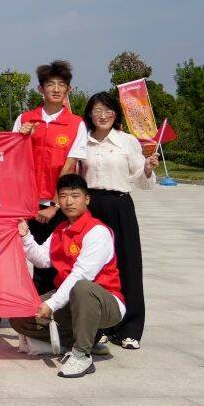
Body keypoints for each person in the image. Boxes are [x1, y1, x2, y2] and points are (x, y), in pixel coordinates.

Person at [60, 92, 156, 349]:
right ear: (89, 114)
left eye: (108, 111)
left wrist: (147, 168)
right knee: (94, 267)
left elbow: (140, 179)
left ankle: (131, 329)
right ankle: (100, 325)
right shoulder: (83, 142)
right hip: (91, 209)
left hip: (120, 206)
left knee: (127, 265)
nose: (102, 115)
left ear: (116, 114)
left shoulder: (127, 142)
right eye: (97, 110)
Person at [13, 174, 125, 378]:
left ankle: (82, 355)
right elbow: (42, 259)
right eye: (63, 196)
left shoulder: (97, 232)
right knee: (19, 316)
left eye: (75, 195)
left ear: (87, 199)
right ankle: (83, 341)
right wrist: (25, 235)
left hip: (105, 302)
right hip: (70, 300)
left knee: (81, 287)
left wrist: (51, 304)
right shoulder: (60, 229)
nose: (69, 201)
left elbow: (81, 274)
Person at [15, 60, 88, 292]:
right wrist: (20, 137)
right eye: (50, 84)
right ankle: (28, 314)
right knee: (20, 259)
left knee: (54, 262)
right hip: (26, 205)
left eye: (61, 84)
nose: (56, 89)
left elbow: (69, 168)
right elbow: (12, 162)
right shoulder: (25, 119)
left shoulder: (77, 124)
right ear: (40, 89)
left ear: (69, 90)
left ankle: (50, 316)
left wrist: (54, 206)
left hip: (58, 206)